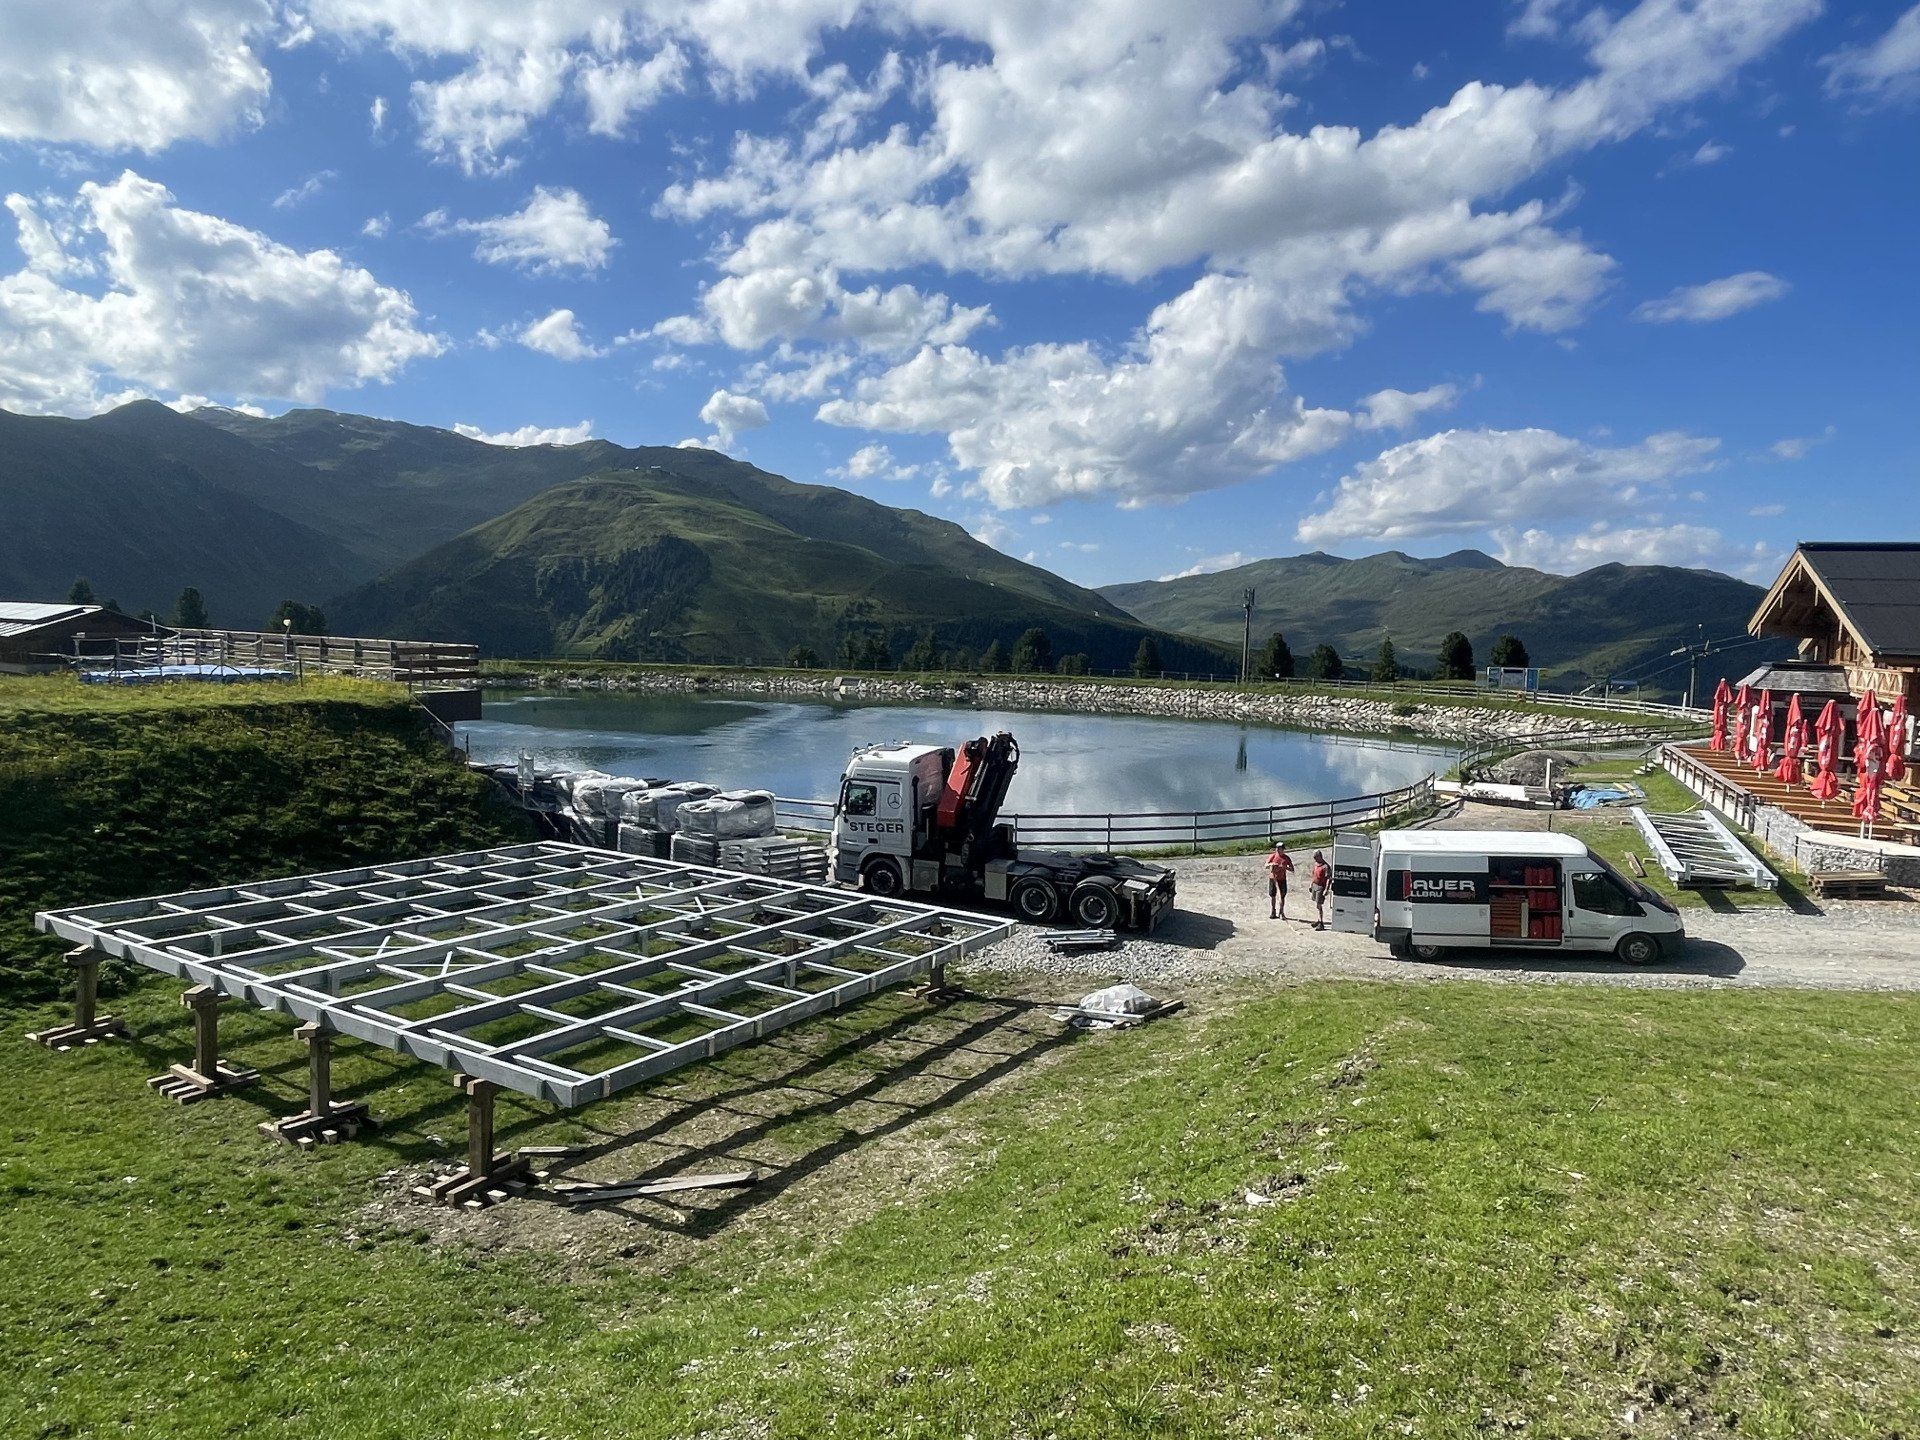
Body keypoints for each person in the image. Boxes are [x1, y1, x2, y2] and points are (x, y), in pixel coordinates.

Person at [1265, 843, 1294, 919]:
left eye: (1279, 848)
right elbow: (1266, 865)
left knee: (1282, 896)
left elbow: (1292, 869)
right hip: (1273, 879)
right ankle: (1273, 911)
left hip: (1282, 879)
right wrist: (1272, 864)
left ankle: (1281, 912)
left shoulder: (1286, 858)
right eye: (1277, 848)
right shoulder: (1272, 856)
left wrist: (1285, 867)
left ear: (1283, 849)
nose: (1277, 849)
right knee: (1273, 895)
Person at [1309, 851, 1332, 930]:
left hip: (1320, 887)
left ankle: (1321, 923)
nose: (1314, 859)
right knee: (1317, 905)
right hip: (1315, 886)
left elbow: (1329, 879)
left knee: (1319, 905)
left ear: (1320, 856)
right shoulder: (1316, 865)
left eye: (1315, 857)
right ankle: (1318, 920)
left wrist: (1326, 889)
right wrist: (1311, 885)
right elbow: (1314, 875)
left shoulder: (1326, 867)